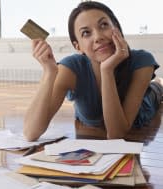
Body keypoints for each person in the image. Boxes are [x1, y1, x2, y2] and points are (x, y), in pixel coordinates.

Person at [23, 1, 163, 141]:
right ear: (78, 47)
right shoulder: (71, 68)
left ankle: (159, 83)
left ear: (117, 29)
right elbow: (30, 133)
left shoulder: (142, 61)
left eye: (104, 25)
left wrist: (106, 70)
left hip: (145, 104)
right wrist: (49, 72)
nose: (98, 37)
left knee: (156, 89)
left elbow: (116, 134)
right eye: (86, 33)